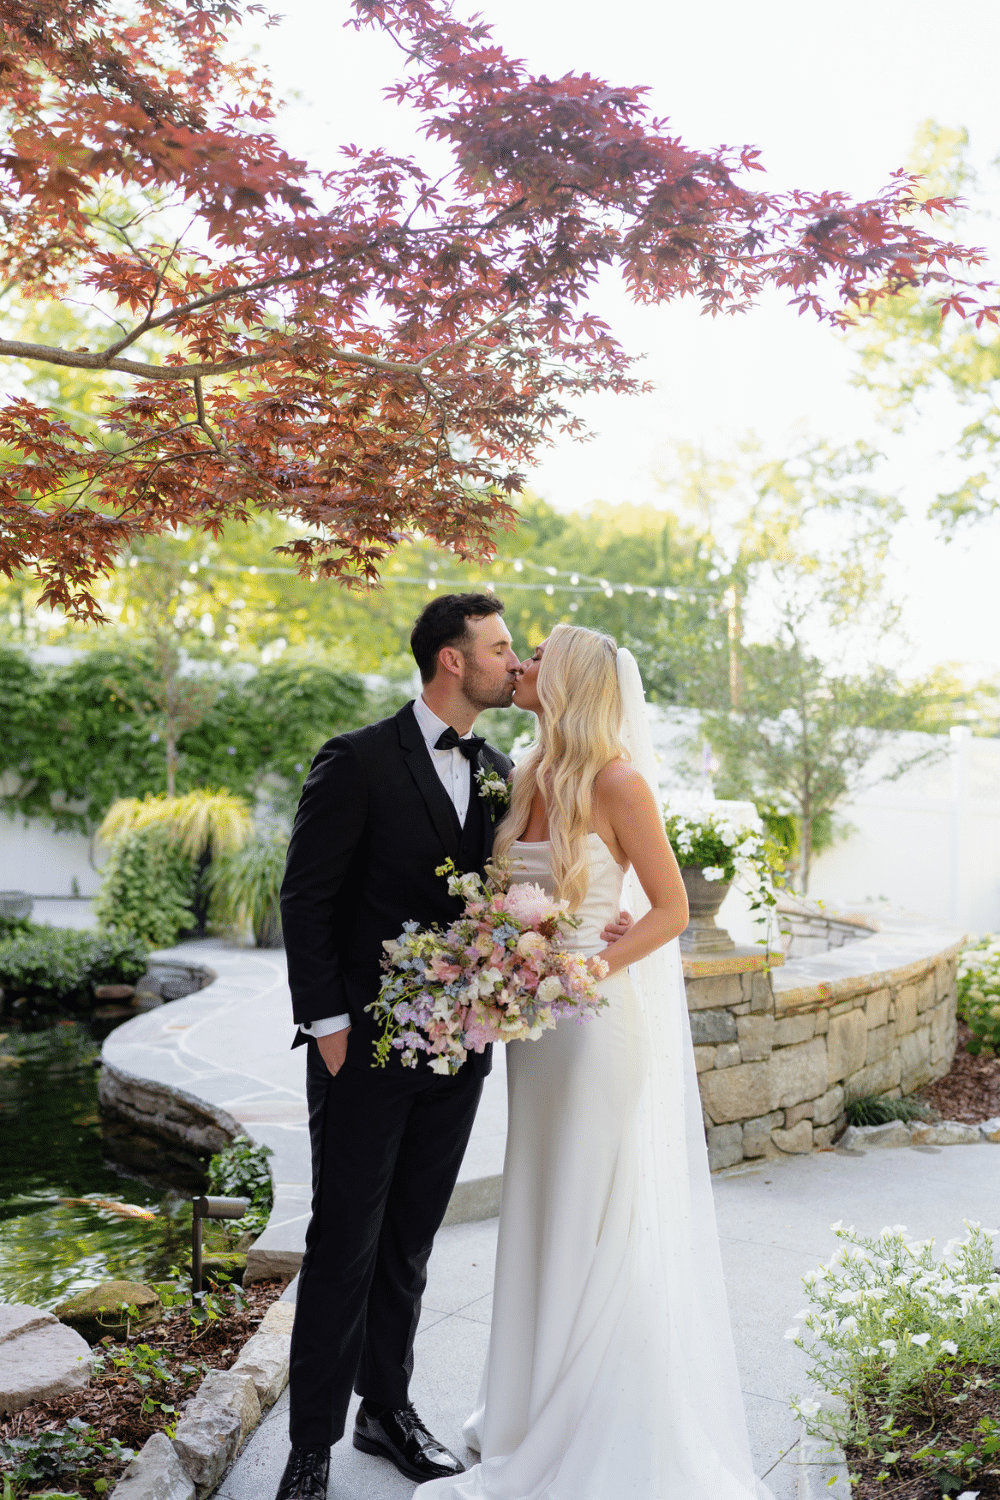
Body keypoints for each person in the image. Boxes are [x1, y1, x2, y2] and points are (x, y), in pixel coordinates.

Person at [274, 595, 633, 1500]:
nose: (516, 665)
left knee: (409, 1243)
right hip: (363, 1050)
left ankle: (385, 1410)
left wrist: (598, 926)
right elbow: (305, 900)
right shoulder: (355, 760)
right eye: (502, 649)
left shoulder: (506, 771)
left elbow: (529, 892)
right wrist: (327, 1027)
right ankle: (308, 1448)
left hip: (463, 1047)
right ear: (450, 662)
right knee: (344, 1241)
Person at [415, 624, 769, 1500]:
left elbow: (672, 908)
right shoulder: (530, 772)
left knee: (586, 1211)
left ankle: (594, 1426)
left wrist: (581, 968)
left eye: (535, 656)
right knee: (541, 1206)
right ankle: (529, 1411)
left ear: (568, 679)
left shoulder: (618, 781)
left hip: (591, 1026)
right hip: (534, 1036)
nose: (520, 665)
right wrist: (498, 962)